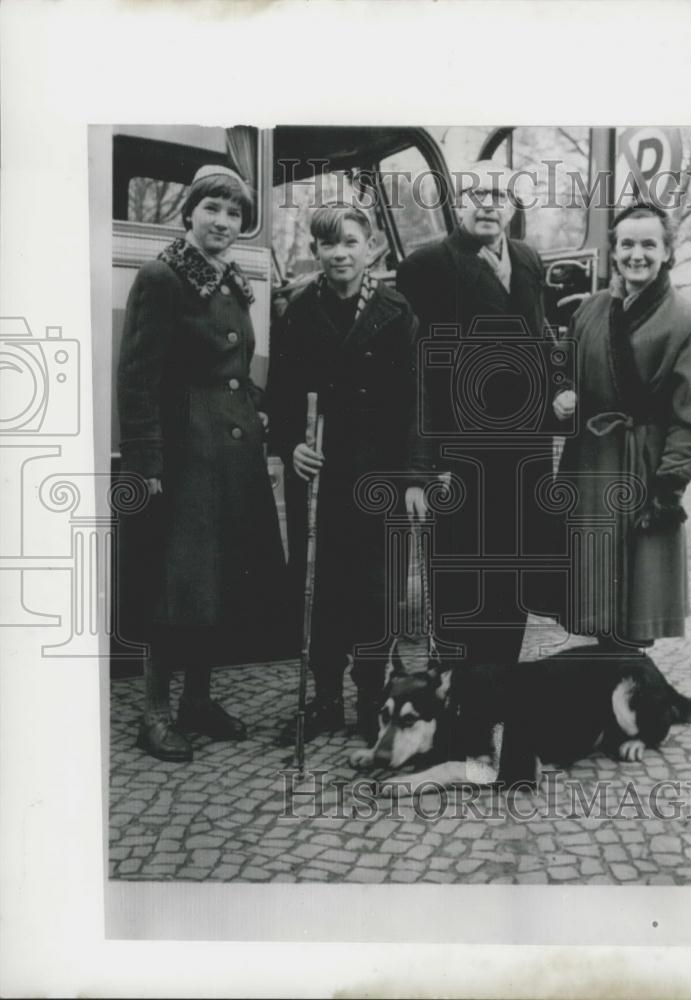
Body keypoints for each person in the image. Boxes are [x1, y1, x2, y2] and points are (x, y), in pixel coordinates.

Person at [118, 164, 286, 762]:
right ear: (188, 213)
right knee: (177, 586)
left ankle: (198, 702)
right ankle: (155, 713)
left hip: (231, 453)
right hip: (187, 453)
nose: (223, 221)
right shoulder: (163, 277)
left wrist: (257, 407)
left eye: (234, 212)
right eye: (212, 208)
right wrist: (147, 461)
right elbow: (137, 378)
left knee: (217, 583)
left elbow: (238, 364)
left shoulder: (231, 279)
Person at [267, 202, 428, 743]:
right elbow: (283, 398)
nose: (340, 254)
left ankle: (370, 697)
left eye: (351, 243)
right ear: (315, 251)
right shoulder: (296, 312)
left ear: (371, 247)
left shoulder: (396, 311)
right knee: (320, 587)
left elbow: (414, 403)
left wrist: (410, 478)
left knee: (375, 587)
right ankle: (326, 698)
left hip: (379, 474)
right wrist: (291, 445)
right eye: (329, 245)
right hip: (320, 475)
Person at [396, 160, 560, 685]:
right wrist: (423, 468)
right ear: (455, 202)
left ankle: (500, 686)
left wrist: (560, 389)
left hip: (525, 453)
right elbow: (419, 373)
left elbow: (542, 340)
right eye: (475, 193)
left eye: (499, 194)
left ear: (513, 206)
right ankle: (457, 693)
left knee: (511, 571)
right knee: (461, 577)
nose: (487, 203)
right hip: (460, 455)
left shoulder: (530, 261)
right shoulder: (427, 266)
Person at [552, 201, 691, 649]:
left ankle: (631, 702)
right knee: (597, 603)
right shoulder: (589, 311)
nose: (636, 254)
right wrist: (561, 395)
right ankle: (603, 703)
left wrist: (667, 491)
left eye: (648, 244)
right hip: (590, 467)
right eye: (627, 244)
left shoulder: (685, 321)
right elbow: (564, 369)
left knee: (633, 610)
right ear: (614, 251)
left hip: (645, 471)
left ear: (667, 253)